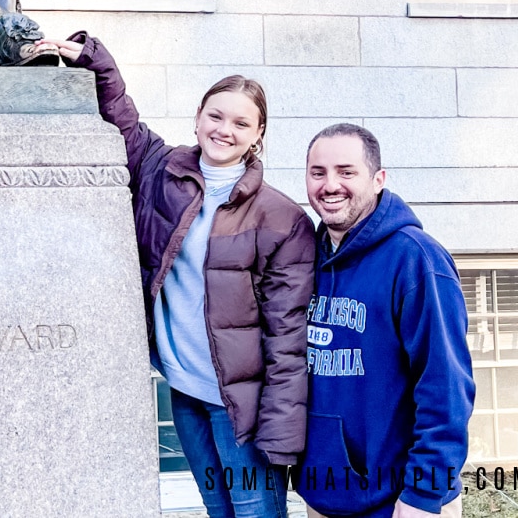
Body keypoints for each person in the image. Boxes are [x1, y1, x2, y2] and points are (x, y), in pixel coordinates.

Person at [43, 34, 315, 518]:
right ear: (198, 117)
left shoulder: (282, 218)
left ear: (259, 134)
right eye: (216, 115)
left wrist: (281, 433)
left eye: (241, 122)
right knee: (218, 512)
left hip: (242, 411)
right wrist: (93, 58)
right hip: (185, 392)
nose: (224, 129)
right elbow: (122, 119)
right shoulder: (160, 170)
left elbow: (288, 337)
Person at [295, 124, 474, 518]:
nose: (330, 185)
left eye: (346, 171)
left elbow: (445, 387)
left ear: (378, 180)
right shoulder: (304, 258)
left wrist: (422, 497)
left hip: (401, 502)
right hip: (325, 496)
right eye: (318, 172)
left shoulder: (417, 261)